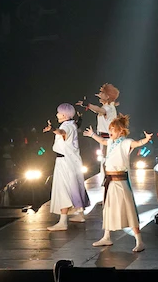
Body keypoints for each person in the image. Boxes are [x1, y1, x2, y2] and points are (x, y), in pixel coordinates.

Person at [83, 115, 152, 252]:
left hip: (121, 180)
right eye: (110, 130)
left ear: (120, 131)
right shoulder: (110, 142)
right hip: (110, 181)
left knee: (128, 209)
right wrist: (92, 135)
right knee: (108, 209)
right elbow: (103, 140)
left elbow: (137, 143)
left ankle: (139, 241)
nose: (110, 132)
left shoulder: (126, 142)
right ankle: (106, 237)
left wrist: (146, 139)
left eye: (113, 130)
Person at [45, 104, 90, 231]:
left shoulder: (66, 126)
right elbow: (76, 126)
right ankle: (80, 215)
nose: (57, 115)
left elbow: (62, 133)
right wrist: (80, 119)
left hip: (64, 161)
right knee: (75, 186)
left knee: (63, 189)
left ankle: (62, 222)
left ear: (64, 115)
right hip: (72, 160)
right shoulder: (72, 124)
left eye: (58, 113)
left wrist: (52, 129)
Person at [76, 83, 120, 170]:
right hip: (105, 138)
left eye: (102, 93)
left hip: (107, 138)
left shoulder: (109, 108)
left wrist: (88, 105)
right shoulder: (108, 107)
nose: (99, 94)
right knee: (105, 161)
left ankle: (108, 177)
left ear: (107, 96)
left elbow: (99, 110)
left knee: (107, 162)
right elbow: (98, 110)